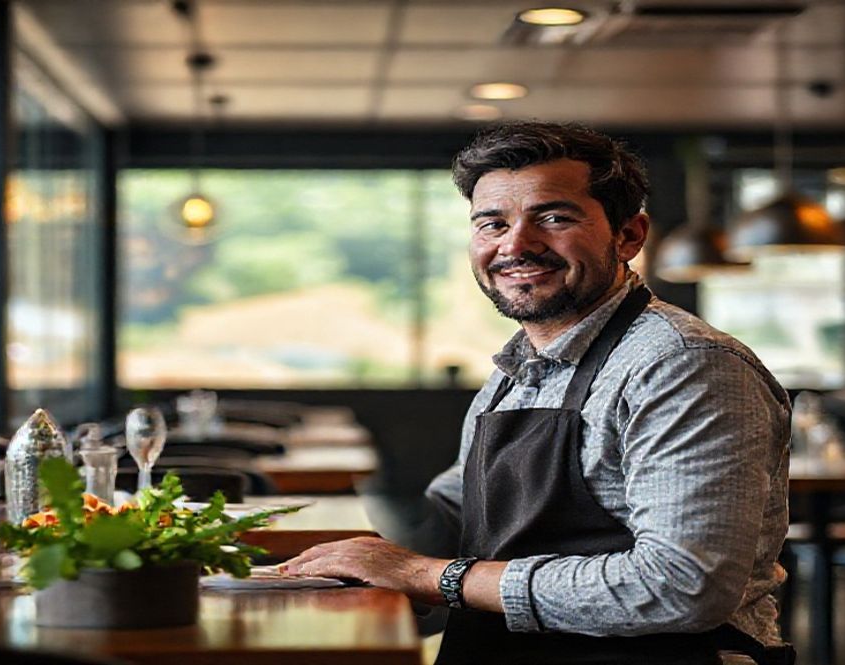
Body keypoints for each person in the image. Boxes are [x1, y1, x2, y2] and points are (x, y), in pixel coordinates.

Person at [282, 121, 792, 665]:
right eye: (492, 224)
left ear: (629, 236)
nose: (516, 245)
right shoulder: (517, 365)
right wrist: (325, 550)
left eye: (553, 217)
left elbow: (681, 587)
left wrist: (427, 575)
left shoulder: (684, 366)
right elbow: (455, 516)